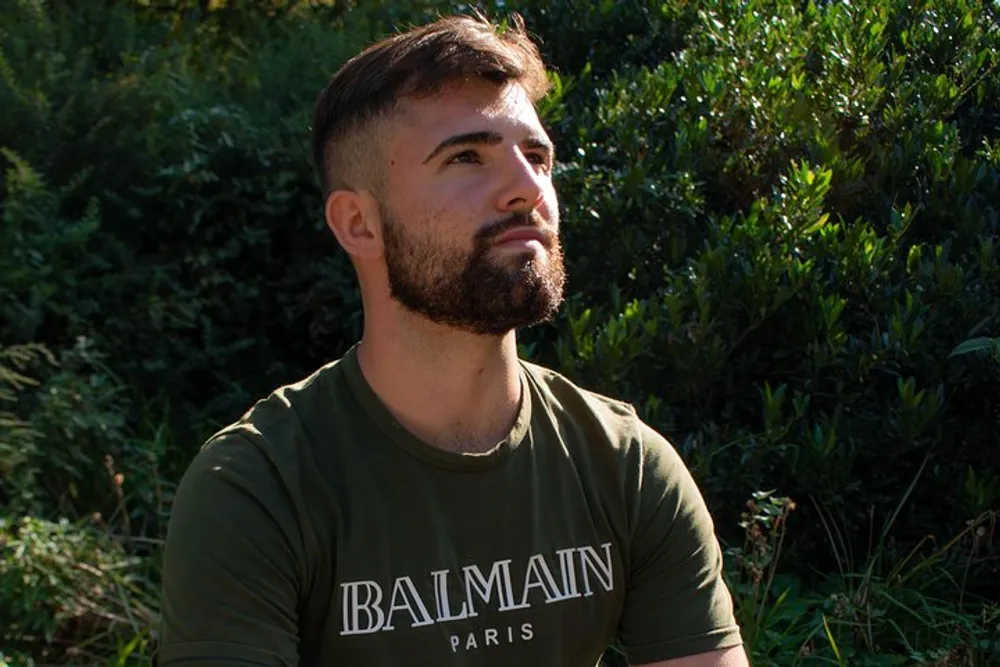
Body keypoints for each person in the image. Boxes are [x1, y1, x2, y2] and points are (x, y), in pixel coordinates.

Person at [158, 12, 748, 667]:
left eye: (537, 156)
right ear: (359, 223)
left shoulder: (626, 465)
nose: (528, 190)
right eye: (467, 157)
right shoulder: (259, 487)